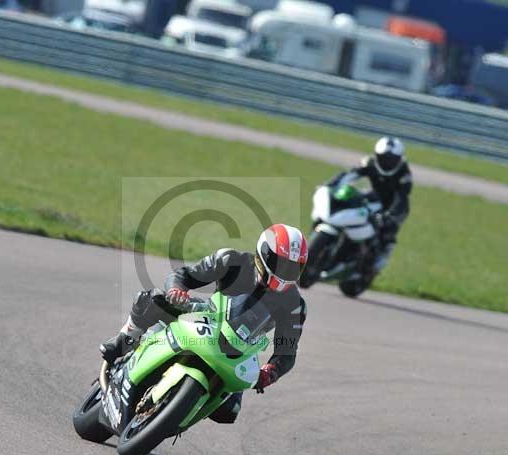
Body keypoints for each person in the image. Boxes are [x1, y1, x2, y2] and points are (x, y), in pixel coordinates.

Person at [99, 224, 308, 424]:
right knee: (152, 300)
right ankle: (125, 338)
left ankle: (177, 413)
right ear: (265, 255)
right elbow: (185, 275)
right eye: (282, 264)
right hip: (206, 315)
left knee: (228, 412)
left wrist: (271, 372)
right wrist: (176, 290)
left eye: (293, 267)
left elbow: (287, 352)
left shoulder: (295, 304)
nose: (286, 272)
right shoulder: (232, 261)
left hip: (240, 349)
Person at [325, 136, 412, 273]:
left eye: (391, 159)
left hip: (393, 206)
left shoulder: (404, 174)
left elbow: (401, 198)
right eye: (383, 157)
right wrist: (332, 184)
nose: (386, 162)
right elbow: (351, 174)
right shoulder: (369, 162)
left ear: (399, 159)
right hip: (373, 197)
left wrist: (389, 215)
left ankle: (378, 260)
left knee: (388, 229)